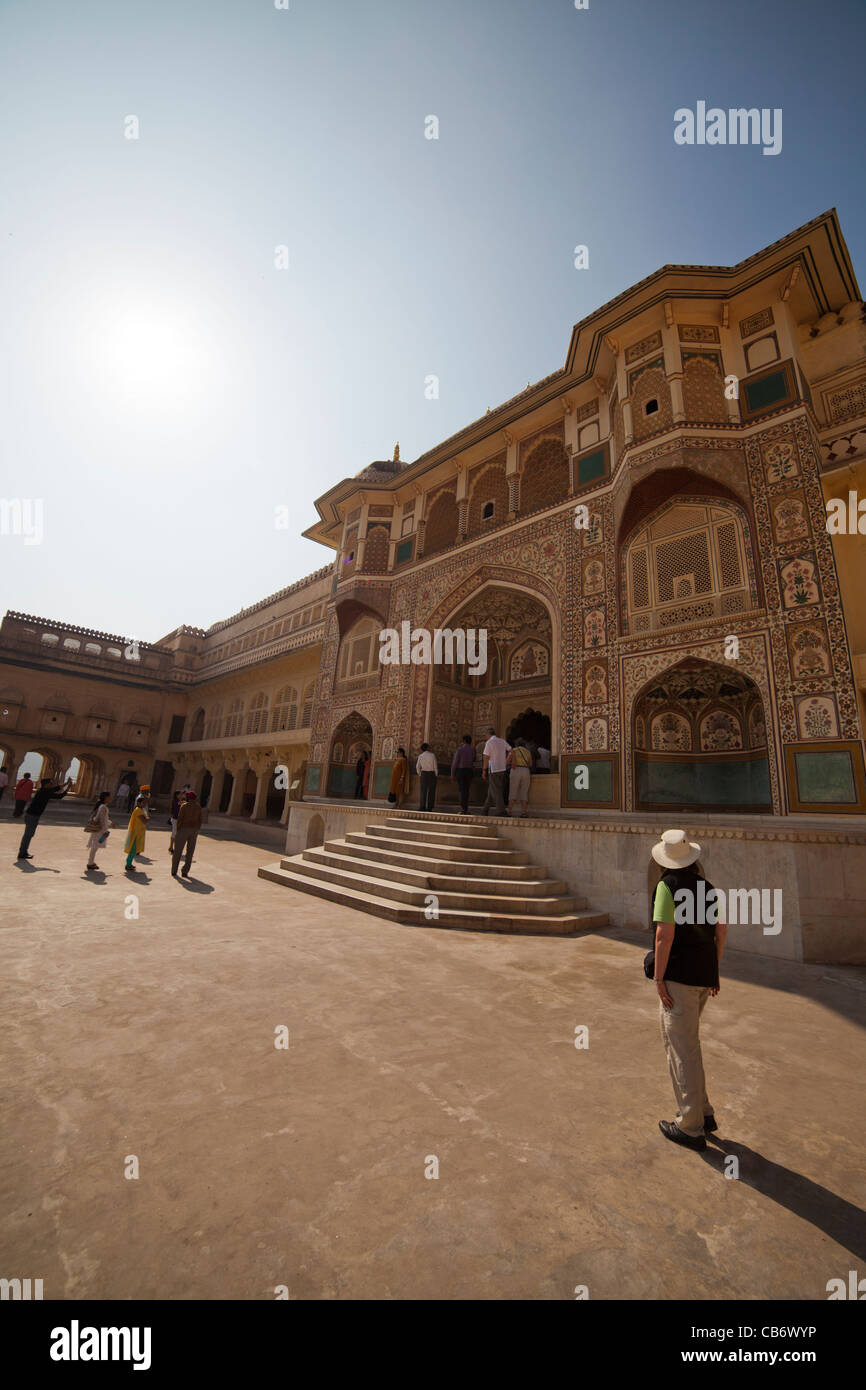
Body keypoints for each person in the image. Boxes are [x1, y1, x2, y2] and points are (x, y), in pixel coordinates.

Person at [650, 829, 727, 1153]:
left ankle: (690, 1126)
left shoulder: (666, 887)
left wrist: (659, 979)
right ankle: (704, 1113)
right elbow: (720, 932)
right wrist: (713, 970)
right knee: (689, 1044)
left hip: (678, 979)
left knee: (681, 1050)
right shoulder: (708, 888)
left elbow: (664, 936)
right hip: (702, 976)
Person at [17, 775, 73, 860]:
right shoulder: (45, 792)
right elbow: (59, 796)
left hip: (33, 815)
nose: (51, 784)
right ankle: (22, 853)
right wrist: (68, 787)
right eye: (50, 783)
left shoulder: (44, 790)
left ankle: (23, 852)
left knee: (29, 834)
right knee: (28, 835)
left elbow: (56, 788)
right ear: (46, 784)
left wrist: (67, 783)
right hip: (32, 816)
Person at [172, 790, 202, 878]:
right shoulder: (198, 807)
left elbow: (180, 819)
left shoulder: (184, 806)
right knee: (190, 852)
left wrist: (178, 830)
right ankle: (185, 871)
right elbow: (200, 820)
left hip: (184, 829)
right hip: (194, 830)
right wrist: (197, 829)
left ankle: (174, 870)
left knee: (178, 851)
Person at [481, 727, 511, 816]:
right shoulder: (502, 741)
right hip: (502, 769)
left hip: (493, 769)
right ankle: (485, 809)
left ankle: (501, 811)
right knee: (492, 789)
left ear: (488, 734)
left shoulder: (489, 742)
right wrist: (506, 762)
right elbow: (511, 751)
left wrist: (484, 770)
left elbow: (486, 757)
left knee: (496, 790)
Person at [85, 791, 113, 871]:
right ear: (106, 798)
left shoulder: (101, 806)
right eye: (109, 797)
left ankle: (91, 862)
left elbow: (103, 819)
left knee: (95, 846)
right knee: (95, 846)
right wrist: (105, 831)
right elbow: (102, 820)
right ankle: (90, 863)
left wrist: (110, 823)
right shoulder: (103, 807)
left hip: (99, 829)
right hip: (99, 830)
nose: (110, 798)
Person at [507, 738, 533, 817]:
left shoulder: (513, 750)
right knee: (524, 791)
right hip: (526, 770)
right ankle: (524, 812)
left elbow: (507, 761)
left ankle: (509, 811)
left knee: (513, 790)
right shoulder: (528, 751)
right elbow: (530, 764)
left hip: (516, 770)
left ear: (516, 744)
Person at [450, 734, 475, 814]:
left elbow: (455, 762)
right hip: (469, 771)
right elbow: (474, 760)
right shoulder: (473, 750)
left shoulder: (460, 750)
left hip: (461, 771)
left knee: (462, 790)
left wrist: (452, 773)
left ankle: (463, 809)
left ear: (464, 741)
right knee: (467, 790)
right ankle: (466, 808)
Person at [123, 795, 149, 872]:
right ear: (139, 803)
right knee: (133, 849)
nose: (144, 804)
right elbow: (144, 820)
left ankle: (129, 863)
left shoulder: (141, 810)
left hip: (138, 832)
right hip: (135, 833)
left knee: (134, 850)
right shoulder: (138, 810)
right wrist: (148, 818)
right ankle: (128, 865)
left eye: (145, 803)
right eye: (143, 803)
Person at [416, 743, 438, 812]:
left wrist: (420, 774)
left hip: (423, 774)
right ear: (427, 748)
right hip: (431, 773)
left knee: (423, 790)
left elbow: (417, 766)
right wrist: (436, 774)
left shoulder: (420, 756)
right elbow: (435, 766)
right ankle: (430, 807)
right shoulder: (432, 755)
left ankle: (422, 806)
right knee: (431, 791)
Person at [169, 788, 182, 854]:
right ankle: (171, 847)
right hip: (175, 819)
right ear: (177, 795)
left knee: (176, 833)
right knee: (174, 833)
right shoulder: (176, 801)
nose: (181, 795)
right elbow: (177, 809)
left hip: (176, 818)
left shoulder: (177, 801)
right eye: (180, 794)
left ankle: (172, 847)